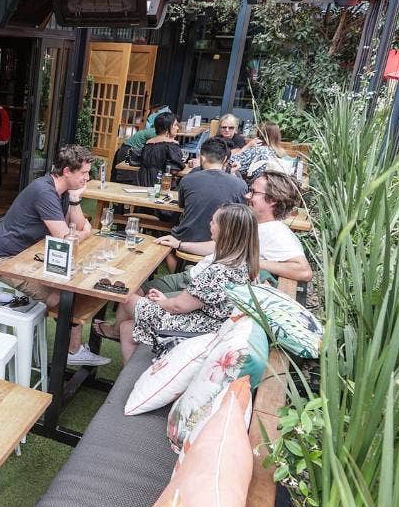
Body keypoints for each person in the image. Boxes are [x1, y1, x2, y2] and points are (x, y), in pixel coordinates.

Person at [0, 145, 110, 367]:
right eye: (83, 173)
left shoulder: (61, 191)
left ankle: (72, 349)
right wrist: (81, 233)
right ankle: (72, 351)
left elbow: (82, 227)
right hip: (6, 260)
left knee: (74, 287)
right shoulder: (45, 192)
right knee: (64, 298)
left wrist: (75, 201)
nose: (87, 178)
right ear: (67, 172)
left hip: (32, 255)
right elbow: (66, 239)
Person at [99, 203, 261, 361]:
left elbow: (179, 306)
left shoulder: (218, 271)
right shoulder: (246, 263)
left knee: (126, 298)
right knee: (127, 328)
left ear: (226, 231)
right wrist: (165, 301)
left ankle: (120, 342)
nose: (210, 224)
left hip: (196, 329)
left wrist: (163, 302)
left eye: (214, 222)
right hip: (213, 324)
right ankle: (134, 380)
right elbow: (194, 301)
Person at [152, 169, 312, 288]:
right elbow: (222, 248)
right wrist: (180, 244)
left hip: (199, 285)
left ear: (272, 200)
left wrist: (251, 261)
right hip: (199, 276)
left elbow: (304, 272)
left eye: (253, 192)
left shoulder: (276, 232)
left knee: (134, 291)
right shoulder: (255, 224)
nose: (247, 196)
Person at [163, 139, 247, 268]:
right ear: (225, 159)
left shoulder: (188, 180)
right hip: (222, 241)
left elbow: (182, 206)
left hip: (186, 237)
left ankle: (179, 274)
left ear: (202, 158)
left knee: (170, 233)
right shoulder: (240, 184)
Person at [136, 112, 186, 187]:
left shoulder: (148, 143)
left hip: (143, 181)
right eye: (175, 125)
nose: (177, 128)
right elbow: (174, 170)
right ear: (167, 128)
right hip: (161, 184)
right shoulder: (171, 145)